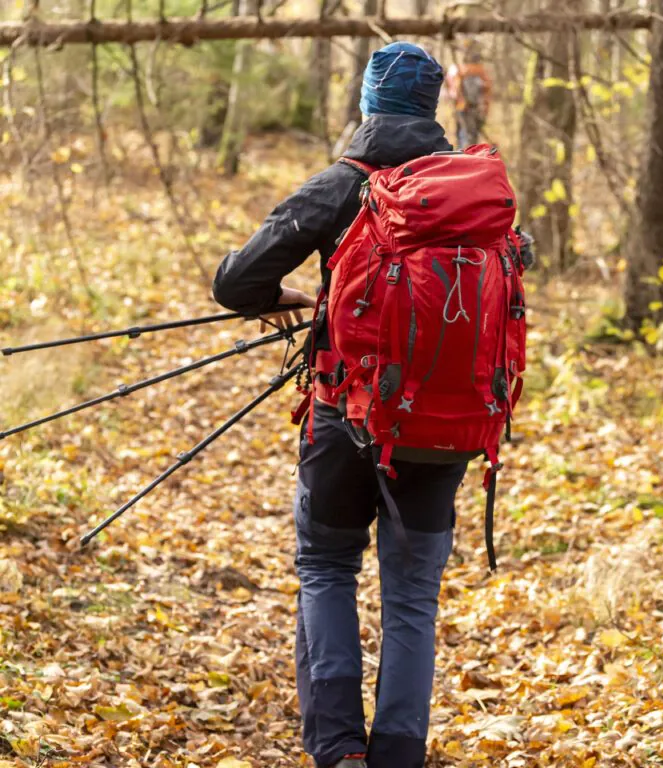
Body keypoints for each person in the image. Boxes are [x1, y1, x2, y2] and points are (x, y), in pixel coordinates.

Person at [212, 43, 467, 768]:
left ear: (367, 104)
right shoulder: (474, 196)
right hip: (446, 428)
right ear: (433, 107)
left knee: (327, 568)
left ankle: (337, 751)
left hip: (346, 417)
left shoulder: (341, 185)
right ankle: (396, 755)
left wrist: (282, 296)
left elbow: (235, 282)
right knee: (412, 595)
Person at [446, 40, 491, 149]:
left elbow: (486, 91)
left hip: (473, 108)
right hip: (463, 108)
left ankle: (466, 156)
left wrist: (483, 108)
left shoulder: (479, 71)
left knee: (469, 137)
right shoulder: (458, 69)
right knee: (464, 136)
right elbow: (453, 88)